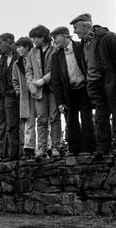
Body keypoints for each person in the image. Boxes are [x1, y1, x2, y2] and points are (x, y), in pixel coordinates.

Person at [70, 13, 116, 158]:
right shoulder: (84, 43)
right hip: (95, 85)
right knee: (101, 117)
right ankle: (103, 148)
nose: (74, 32)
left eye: (76, 27)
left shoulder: (108, 37)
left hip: (110, 83)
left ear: (86, 26)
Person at [50, 26, 96, 156]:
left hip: (84, 89)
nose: (54, 41)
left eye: (56, 37)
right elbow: (56, 81)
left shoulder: (80, 47)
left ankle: (89, 149)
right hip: (69, 92)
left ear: (65, 36)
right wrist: (59, 102)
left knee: (86, 118)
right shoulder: (56, 56)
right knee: (71, 121)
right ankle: (74, 150)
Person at [25, 25, 61, 159]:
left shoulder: (55, 49)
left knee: (54, 118)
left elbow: (57, 68)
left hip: (53, 89)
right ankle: (41, 148)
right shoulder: (32, 53)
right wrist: (31, 85)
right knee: (41, 120)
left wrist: (44, 80)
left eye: (35, 37)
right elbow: (28, 71)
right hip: (38, 91)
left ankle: (55, 147)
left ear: (43, 37)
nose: (33, 40)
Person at [0, 33, 20, 160]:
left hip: (20, 93)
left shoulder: (19, 55)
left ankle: (26, 151)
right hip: (8, 96)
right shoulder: (2, 58)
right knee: (11, 126)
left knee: (25, 123)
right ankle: (14, 154)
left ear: (9, 42)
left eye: (1, 42)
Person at [12, 37, 35, 159]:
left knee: (43, 120)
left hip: (38, 91)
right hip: (26, 96)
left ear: (27, 47)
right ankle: (29, 148)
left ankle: (46, 147)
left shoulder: (35, 58)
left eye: (20, 46)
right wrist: (20, 92)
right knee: (28, 122)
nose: (17, 49)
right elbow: (15, 81)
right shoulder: (17, 64)